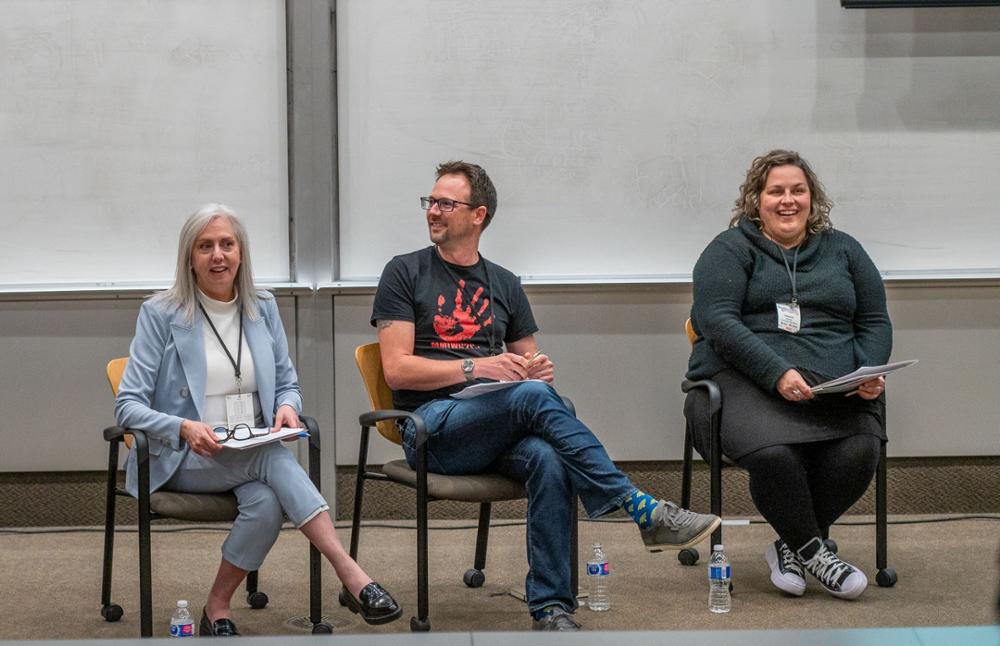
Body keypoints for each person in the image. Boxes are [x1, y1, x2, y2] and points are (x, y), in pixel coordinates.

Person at [371, 161, 721, 631]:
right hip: (430, 427)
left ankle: (551, 608)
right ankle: (638, 506)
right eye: (430, 202)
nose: (432, 211)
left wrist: (537, 369)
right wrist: (478, 366)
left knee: (550, 454)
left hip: (495, 424)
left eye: (444, 203)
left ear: (478, 215)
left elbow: (531, 363)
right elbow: (397, 369)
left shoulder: (505, 283)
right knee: (539, 404)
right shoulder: (404, 272)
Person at [116, 204, 401, 636]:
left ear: (241, 253)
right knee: (273, 459)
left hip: (245, 448)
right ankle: (351, 575)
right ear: (189, 257)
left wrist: (287, 406)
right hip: (182, 458)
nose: (218, 256)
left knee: (266, 502)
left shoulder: (262, 307)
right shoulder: (161, 314)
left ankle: (217, 607)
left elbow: (287, 381)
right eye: (205, 246)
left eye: (227, 244)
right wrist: (184, 427)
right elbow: (128, 406)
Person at [685, 150, 892, 601]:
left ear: (812, 198)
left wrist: (869, 372)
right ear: (755, 200)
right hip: (739, 382)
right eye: (775, 191)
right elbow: (717, 321)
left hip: (833, 392)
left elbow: (874, 320)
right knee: (775, 454)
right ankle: (819, 554)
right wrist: (776, 372)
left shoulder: (844, 250)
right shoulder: (729, 250)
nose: (788, 200)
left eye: (798, 190)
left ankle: (791, 544)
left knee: (860, 450)